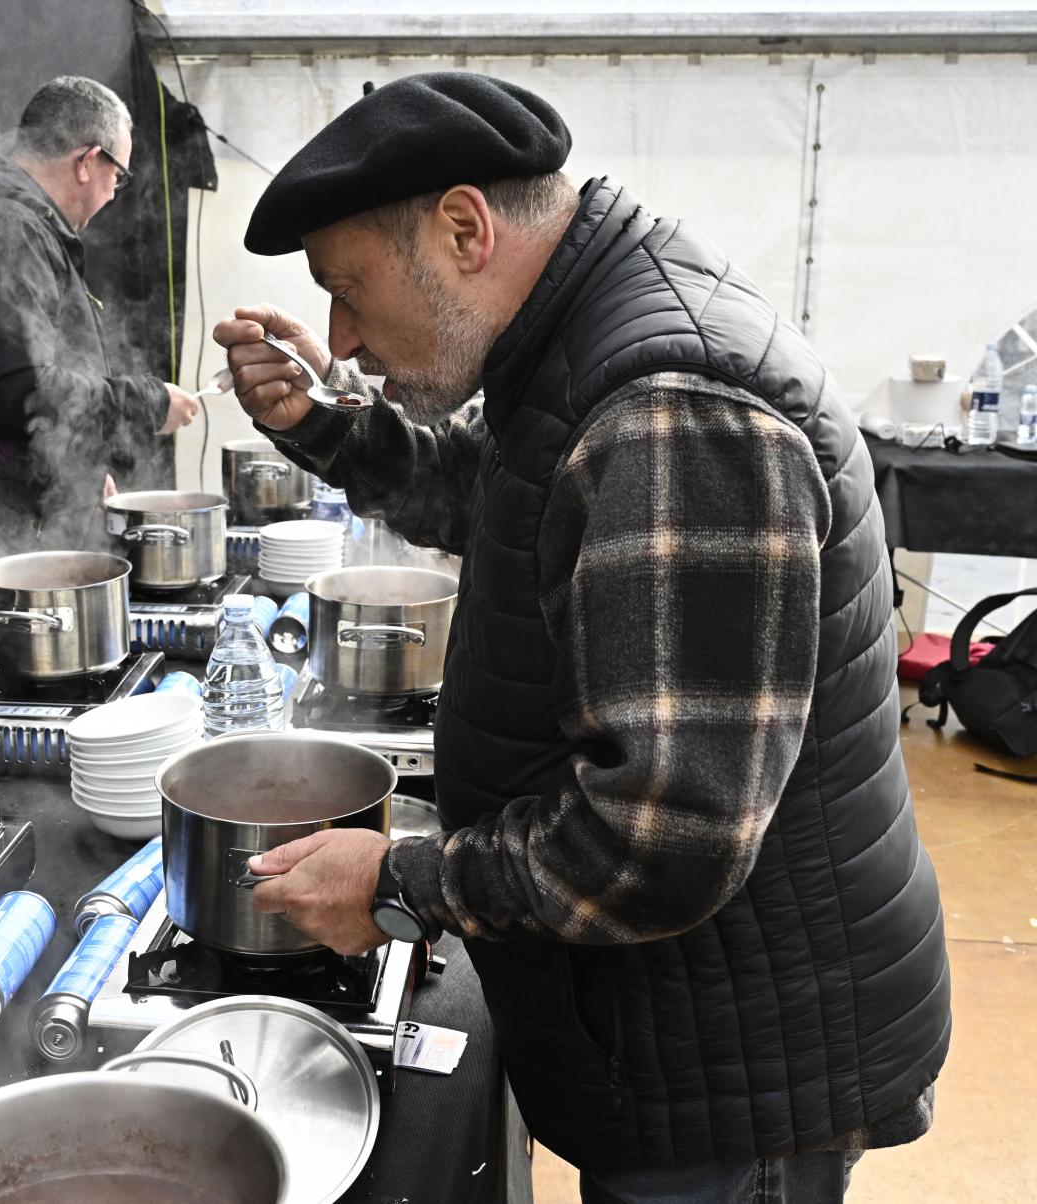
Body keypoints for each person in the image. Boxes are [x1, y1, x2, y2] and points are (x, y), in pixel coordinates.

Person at [214, 73, 949, 1203]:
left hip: (732, 1073)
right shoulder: (583, 337)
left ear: (464, 228)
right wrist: (317, 426)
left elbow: (664, 839)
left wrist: (404, 881)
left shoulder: (672, 405)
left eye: (348, 290)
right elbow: (499, 501)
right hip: (684, 1031)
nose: (344, 340)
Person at [0, 75, 199, 650]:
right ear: (88, 161)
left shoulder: (6, 217)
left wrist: (78, 466)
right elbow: (23, 391)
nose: (113, 195)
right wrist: (147, 402)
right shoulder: (8, 227)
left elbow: (15, 388)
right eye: (119, 176)